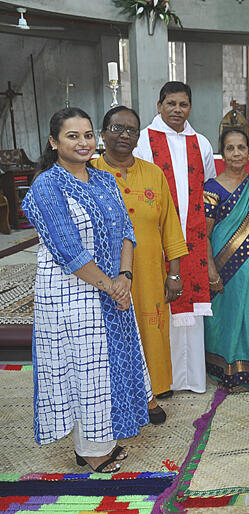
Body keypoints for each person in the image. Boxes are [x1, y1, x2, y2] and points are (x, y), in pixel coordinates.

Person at [22, 108, 152, 473]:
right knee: (84, 368)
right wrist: (112, 286)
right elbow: (68, 250)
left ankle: (103, 441)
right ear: (54, 142)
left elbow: (127, 230)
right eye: (72, 136)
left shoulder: (104, 180)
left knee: (107, 365)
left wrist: (124, 276)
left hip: (112, 289)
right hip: (71, 294)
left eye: (88, 135)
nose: (83, 143)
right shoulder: (47, 186)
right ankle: (91, 451)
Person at [92, 106, 188, 422]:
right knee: (107, 337)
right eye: (117, 128)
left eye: (131, 130)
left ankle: (150, 396)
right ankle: (109, 400)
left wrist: (174, 272)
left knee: (150, 332)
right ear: (103, 133)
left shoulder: (153, 173)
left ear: (138, 137)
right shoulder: (88, 172)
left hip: (147, 272)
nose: (124, 135)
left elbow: (170, 225)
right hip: (101, 274)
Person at [134, 81, 217, 396]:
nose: (177, 110)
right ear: (159, 106)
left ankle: (191, 377)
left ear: (190, 108)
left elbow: (207, 186)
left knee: (190, 308)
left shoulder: (201, 142)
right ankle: (159, 379)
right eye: (171, 104)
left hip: (193, 238)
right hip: (155, 237)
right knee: (157, 305)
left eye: (183, 104)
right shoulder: (143, 140)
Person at [204, 129, 249, 389]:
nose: (236, 153)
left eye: (241, 147)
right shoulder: (211, 188)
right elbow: (204, 234)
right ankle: (223, 369)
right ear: (222, 153)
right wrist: (211, 269)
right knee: (226, 315)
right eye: (230, 148)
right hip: (223, 264)